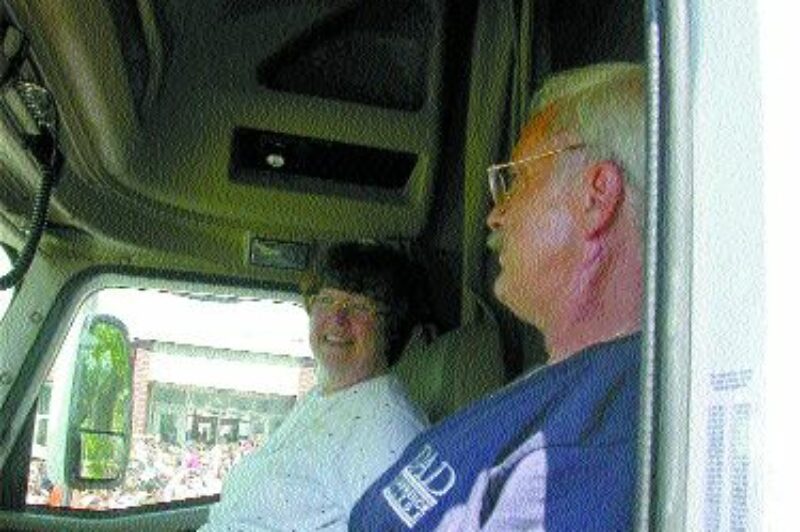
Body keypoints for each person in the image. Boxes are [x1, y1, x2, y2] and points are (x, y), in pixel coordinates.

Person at [348, 62, 645, 530]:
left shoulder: (594, 443)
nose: (495, 215)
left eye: (518, 181)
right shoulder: (567, 394)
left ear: (597, 196)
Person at [201, 243, 429, 531]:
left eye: (360, 306)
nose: (337, 318)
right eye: (326, 300)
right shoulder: (322, 397)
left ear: (390, 327)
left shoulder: (386, 427)